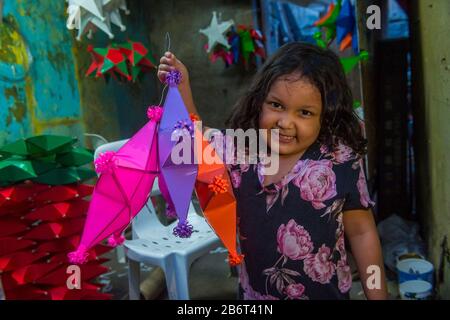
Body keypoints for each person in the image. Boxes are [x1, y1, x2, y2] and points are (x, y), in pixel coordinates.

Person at [157, 42, 387, 300]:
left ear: (326, 117)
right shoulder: (240, 150)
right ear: (259, 103)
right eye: (276, 105)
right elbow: (194, 136)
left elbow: (362, 232)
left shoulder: (339, 161)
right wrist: (182, 85)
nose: (285, 122)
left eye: (305, 112)